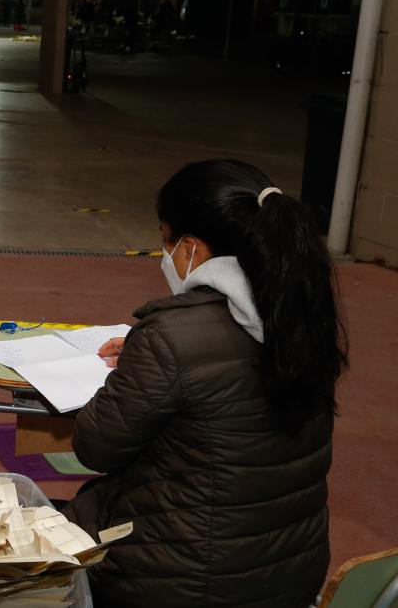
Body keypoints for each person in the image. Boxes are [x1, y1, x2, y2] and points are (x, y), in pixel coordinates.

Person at [63, 160, 344, 607]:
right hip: (291, 574)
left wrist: (142, 363)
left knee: (40, 526)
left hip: (184, 584)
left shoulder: (173, 335)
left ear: (192, 247)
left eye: (165, 239)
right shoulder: (304, 316)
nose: (164, 254)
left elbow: (95, 448)